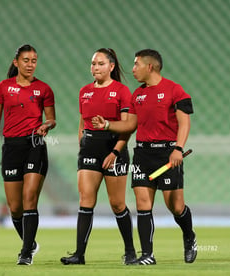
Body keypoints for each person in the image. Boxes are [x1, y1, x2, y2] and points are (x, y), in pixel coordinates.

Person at [92, 49, 197, 265]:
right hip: (142, 154)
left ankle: (189, 236)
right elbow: (131, 124)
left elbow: (184, 122)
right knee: (142, 204)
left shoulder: (175, 90)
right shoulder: (137, 95)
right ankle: (147, 255)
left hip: (168, 153)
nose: (132, 70)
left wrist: (178, 148)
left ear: (150, 66)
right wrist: (108, 125)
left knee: (176, 207)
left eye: (136, 64)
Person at [60, 48, 136, 265]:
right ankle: (79, 255)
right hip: (89, 150)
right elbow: (82, 122)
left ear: (111, 66)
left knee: (117, 204)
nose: (95, 67)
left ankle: (130, 252)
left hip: (114, 148)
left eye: (100, 63)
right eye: (93, 63)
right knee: (85, 201)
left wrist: (115, 152)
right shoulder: (84, 91)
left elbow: (127, 127)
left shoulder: (121, 91)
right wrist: (82, 144)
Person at [0, 44, 56, 265]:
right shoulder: (3, 87)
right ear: (16, 62)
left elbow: (52, 118)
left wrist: (47, 125)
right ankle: (30, 243)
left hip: (35, 146)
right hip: (11, 147)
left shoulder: (44, 89)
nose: (30, 64)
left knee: (30, 198)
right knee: (15, 208)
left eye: (34, 60)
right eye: (26, 60)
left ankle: (25, 253)